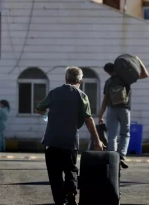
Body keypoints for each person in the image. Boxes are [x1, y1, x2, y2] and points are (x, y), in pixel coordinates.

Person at [35, 66, 105, 205]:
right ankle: (71, 196)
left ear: (66, 78)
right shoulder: (81, 95)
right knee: (70, 170)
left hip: (51, 141)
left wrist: (49, 114)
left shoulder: (54, 93)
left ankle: (60, 201)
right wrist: (97, 141)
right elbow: (88, 119)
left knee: (55, 175)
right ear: (81, 80)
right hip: (69, 142)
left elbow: (38, 109)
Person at [98, 60, 149, 169]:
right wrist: (138, 60)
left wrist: (101, 115)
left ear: (108, 72)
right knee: (125, 133)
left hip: (111, 110)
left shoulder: (108, 82)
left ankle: (112, 158)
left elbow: (105, 99)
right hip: (124, 109)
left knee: (112, 135)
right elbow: (145, 75)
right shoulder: (125, 79)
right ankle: (121, 156)